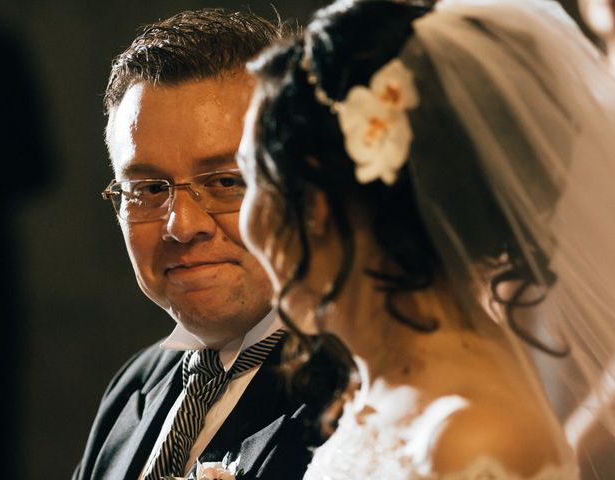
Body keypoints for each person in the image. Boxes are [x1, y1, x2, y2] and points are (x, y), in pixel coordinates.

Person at [237, 0, 615, 478]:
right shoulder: (381, 386)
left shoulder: (476, 437)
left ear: (314, 205)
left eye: (249, 178)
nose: (241, 219)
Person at [73, 9, 345, 480]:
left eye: (225, 181)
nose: (181, 225)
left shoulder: (361, 395)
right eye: (149, 189)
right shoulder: (133, 387)